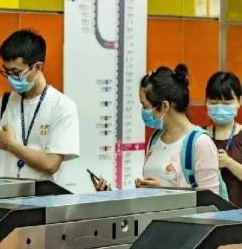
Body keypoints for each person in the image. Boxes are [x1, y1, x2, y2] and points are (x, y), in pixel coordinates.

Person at [0, 29, 80, 192]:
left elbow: (51, 164)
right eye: (6, 72)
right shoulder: (4, 102)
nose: (10, 78)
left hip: (43, 201)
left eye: (16, 72)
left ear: (37, 67)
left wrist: (13, 145)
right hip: (3, 198)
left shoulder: (62, 107)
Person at [95, 64, 222, 195]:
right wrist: (111, 193)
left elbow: (211, 201)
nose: (144, 112)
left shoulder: (201, 143)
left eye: (145, 106)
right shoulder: (155, 138)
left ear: (164, 106)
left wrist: (164, 191)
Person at [205, 71, 242, 206]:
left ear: (239, 101)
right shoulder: (199, 136)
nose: (220, 108)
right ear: (206, 102)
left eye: (227, 103)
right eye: (214, 102)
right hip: (207, 213)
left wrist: (229, 163)